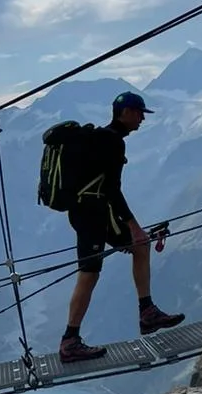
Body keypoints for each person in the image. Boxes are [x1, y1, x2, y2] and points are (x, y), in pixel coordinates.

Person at [59, 90, 185, 363]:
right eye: (139, 112)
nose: (142, 118)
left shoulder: (104, 138)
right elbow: (112, 190)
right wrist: (133, 225)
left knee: (140, 245)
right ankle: (69, 341)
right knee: (89, 274)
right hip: (92, 215)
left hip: (91, 213)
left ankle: (147, 312)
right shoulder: (113, 142)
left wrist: (134, 232)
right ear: (125, 112)